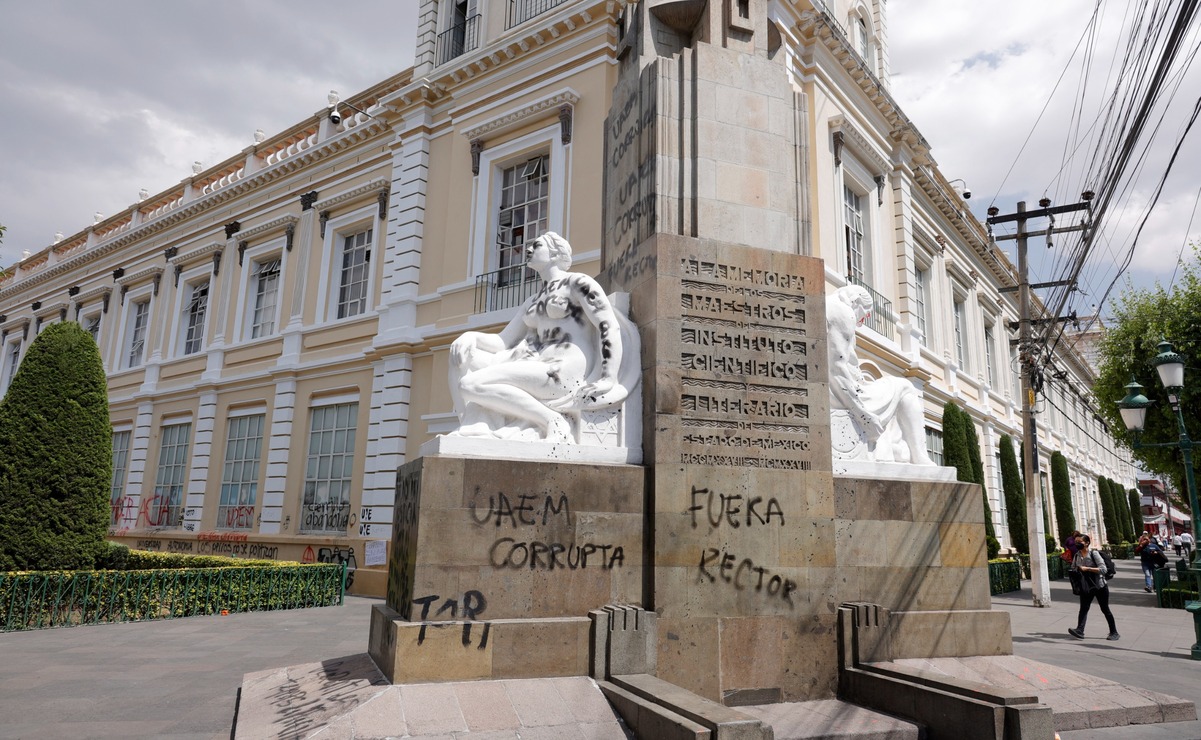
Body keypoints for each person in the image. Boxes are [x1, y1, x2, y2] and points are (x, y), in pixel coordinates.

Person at [448, 232, 628, 442]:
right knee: (461, 357)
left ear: (554, 253)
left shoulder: (577, 283)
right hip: (535, 365)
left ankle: (553, 421)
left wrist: (609, 377)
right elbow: (503, 341)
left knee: (470, 384)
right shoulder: (532, 301)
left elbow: (607, 325)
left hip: (563, 369)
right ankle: (476, 428)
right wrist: (470, 336)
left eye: (537, 245)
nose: (528, 250)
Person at [825, 285, 934, 465]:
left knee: (892, 395)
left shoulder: (828, 305)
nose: (862, 321)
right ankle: (919, 456)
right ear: (857, 302)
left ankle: (895, 451)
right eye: (865, 314)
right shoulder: (842, 311)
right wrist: (862, 414)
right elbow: (837, 369)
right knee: (904, 387)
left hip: (842, 388)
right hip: (840, 392)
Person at [1067, 534, 1119, 641]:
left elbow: (1103, 569)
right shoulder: (1077, 555)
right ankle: (1080, 630)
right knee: (1084, 608)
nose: (1077, 544)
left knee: (1105, 609)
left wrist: (1088, 569)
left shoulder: (1093, 553)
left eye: (1079, 542)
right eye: (1076, 542)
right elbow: (1074, 567)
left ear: (1086, 543)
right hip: (1086, 586)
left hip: (1099, 585)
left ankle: (1114, 632)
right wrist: (1075, 571)